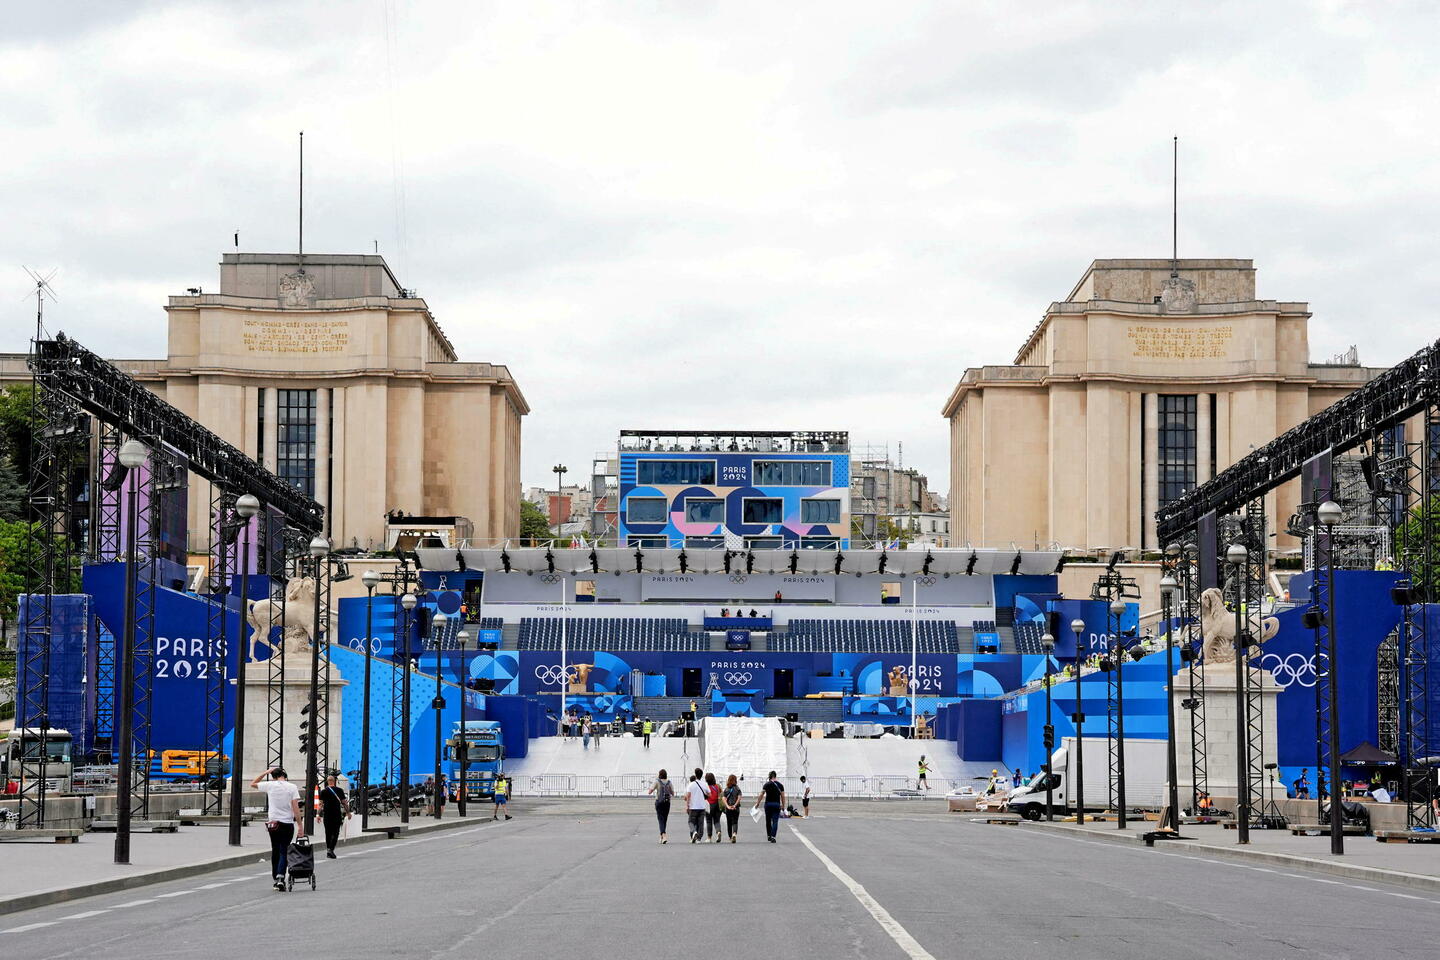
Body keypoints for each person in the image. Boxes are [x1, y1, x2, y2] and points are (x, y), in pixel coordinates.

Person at [250, 766, 302, 890]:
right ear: (285, 775)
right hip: (287, 823)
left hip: (273, 824)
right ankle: (280, 877)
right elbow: (296, 808)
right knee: (284, 850)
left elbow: (253, 783)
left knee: (275, 849)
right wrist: (300, 825)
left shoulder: (270, 785)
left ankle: (275, 878)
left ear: (273, 777)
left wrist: (266, 772)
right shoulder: (292, 787)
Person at [318, 774, 350, 859]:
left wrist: (318, 814)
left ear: (327, 782)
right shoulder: (340, 790)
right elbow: (344, 803)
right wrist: (348, 813)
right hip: (336, 814)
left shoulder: (323, 791)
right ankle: (331, 849)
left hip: (327, 815)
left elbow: (320, 804)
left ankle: (328, 849)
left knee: (328, 833)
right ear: (334, 781)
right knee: (335, 832)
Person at [754, 771, 786, 843]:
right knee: (775, 821)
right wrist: (783, 805)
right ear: (775, 776)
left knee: (768, 820)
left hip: (768, 804)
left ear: (769, 777)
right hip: (776, 804)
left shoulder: (766, 784)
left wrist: (757, 803)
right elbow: (783, 796)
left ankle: (769, 835)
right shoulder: (780, 785)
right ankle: (773, 836)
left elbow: (761, 794)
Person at [648, 769, 674, 843]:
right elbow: (673, 793)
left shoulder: (657, 781)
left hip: (659, 802)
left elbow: (649, 792)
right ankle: (661, 837)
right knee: (664, 819)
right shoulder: (669, 782)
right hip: (667, 802)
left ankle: (664, 835)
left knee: (660, 819)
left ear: (659, 775)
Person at [685, 767, 709, 843]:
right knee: (700, 823)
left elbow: (688, 796)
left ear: (695, 775)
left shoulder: (691, 785)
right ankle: (699, 838)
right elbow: (709, 794)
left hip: (693, 807)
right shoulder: (704, 784)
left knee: (691, 822)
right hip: (702, 806)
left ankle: (694, 832)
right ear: (701, 775)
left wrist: (687, 805)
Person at [722, 774, 742, 842]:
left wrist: (728, 806)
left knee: (729, 822)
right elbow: (739, 797)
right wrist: (735, 805)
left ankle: (730, 837)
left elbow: (724, 798)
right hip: (736, 808)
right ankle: (734, 834)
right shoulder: (737, 788)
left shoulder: (726, 789)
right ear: (735, 780)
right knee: (735, 822)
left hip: (728, 808)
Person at [705, 772, 722, 843]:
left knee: (709, 821)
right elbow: (721, 793)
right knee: (717, 820)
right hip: (717, 805)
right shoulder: (717, 786)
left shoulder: (706, 787)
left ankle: (709, 837)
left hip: (709, 805)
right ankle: (718, 832)